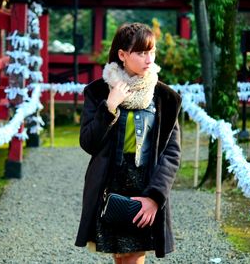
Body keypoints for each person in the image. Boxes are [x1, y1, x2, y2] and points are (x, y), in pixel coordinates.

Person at [75, 22, 182, 264]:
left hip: (145, 184)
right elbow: (88, 143)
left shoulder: (163, 97)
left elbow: (172, 152)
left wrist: (155, 197)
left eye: (151, 52)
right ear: (122, 55)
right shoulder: (99, 92)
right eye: (141, 52)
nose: (148, 59)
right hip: (110, 183)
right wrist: (110, 107)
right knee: (120, 255)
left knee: (134, 255)